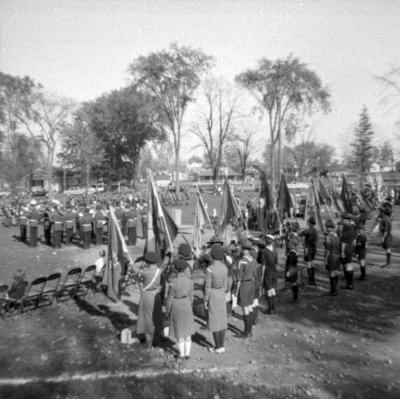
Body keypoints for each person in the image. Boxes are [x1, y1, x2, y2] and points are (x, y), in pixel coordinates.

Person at [133, 251, 164, 349]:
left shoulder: (145, 272)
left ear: (147, 261)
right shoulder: (160, 271)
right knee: (157, 318)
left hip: (147, 296)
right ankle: (156, 341)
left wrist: (131, 264)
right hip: (157, 295)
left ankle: (149, 344)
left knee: (147, 320)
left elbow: (135, 271)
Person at [166, 259, 195, 360]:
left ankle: (181, 354)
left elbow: (169, 298)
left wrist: (168, 310)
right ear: (186, 268)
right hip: (186, 303)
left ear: (176, 269)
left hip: (176, 304)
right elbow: (191, 297)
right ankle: (188, 353)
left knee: (179, 331)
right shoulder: (190, 282)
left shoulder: (172, 282)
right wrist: (189, 305)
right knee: (187, 331)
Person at [204, 243, 228, 354]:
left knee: (214, 320)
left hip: (213, 293)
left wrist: (206, 299)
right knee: (222, 320)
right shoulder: (225, 268)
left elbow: (207, 286)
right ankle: (221, 345)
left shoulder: (210, 269)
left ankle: (217, 346)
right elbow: (226, 285)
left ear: (212, 256)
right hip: (221, 293)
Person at [236, 239, 258, 338]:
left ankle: (246, 332)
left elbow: (239, 278)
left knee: (245, 308)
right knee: (249, 307)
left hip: (244, 285)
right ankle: (250, 330)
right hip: (252, 284)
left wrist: (236, 291)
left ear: (244, 250)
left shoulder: (242, 261)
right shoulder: (254, 261)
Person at [261, 234, 279, 314]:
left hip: (267, 272)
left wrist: (261, 276)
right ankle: (273, 309)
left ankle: (269, 309)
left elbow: (263, 265)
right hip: (274, 272)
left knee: (268, 290)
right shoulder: (275, 251)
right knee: (273, 290)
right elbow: (276, 264)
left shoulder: (264, 251)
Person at [324, 219, 340, 296]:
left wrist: (326, 259)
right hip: (337, 255)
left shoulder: (329, 236)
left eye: (326, 227)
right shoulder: (336, 235)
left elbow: (328, 249)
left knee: (331, 273)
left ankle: (332, 291)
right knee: (336, 272)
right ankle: (335, 290)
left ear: (329, 227)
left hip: (331, 256)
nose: (326, 228)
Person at [300, 216, 319, 285]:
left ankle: (310, 280)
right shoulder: (316, 231)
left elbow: (301, 234)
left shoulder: (309, 230)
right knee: (312, 263)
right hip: (314, 248)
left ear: (310, 223)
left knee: (308, 264)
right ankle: (313, 280)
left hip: (308, 248)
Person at [339, 212, 356, 289]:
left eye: (342, 218)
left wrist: (342, 252)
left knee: (347, 265)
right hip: (350, 246)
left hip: (345, 247)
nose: (342, 219)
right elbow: (354, 239)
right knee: (350, 265)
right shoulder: (352, 227)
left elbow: (343, 241)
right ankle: (350, 283)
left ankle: (349, 284)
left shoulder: (346, 227)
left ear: (346, 219)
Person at [285, 223, 300, 303]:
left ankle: (295, 298)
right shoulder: (294, 253)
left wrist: (288, 272)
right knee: (294, 282)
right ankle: (295, 297)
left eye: (290, 243)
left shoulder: (291, 254)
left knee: (294, 283)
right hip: (294, 269)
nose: (288, 244)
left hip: (292, 269)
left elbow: (290, 264)